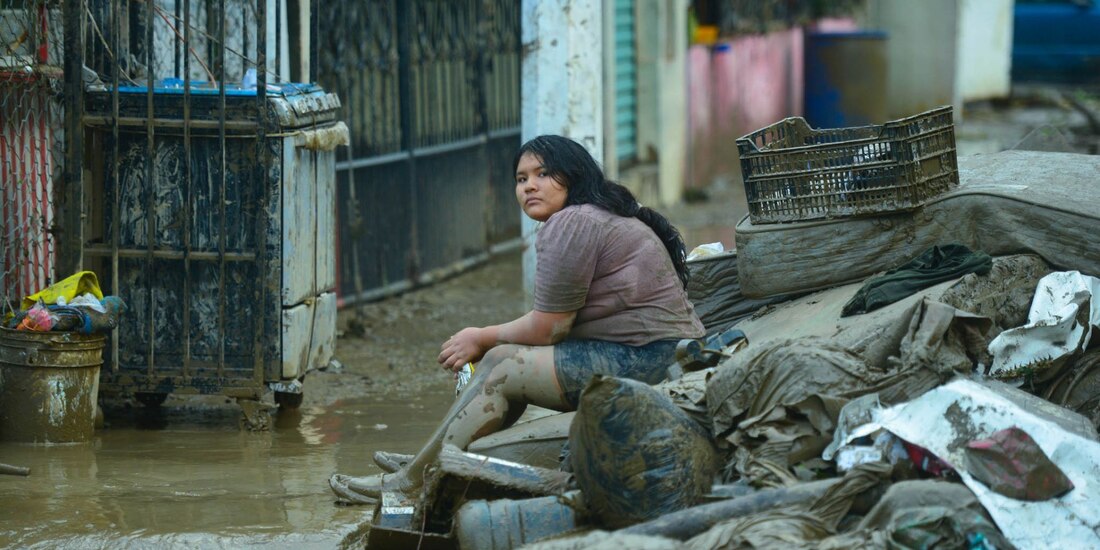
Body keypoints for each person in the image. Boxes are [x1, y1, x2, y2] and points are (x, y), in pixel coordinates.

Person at [329, 134, 705, 502]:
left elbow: (549, 327)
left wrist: (480, 336)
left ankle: (414, 481)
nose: (530, 187)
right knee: (503, 357)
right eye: (521, 179)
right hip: (662, 354)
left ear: (573, 177)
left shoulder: (573, 223)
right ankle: (431, 460)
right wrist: (492, 338)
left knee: (503, 364)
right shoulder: (593, 217)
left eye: (543, 174)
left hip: (649, 360)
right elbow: (554, 320)